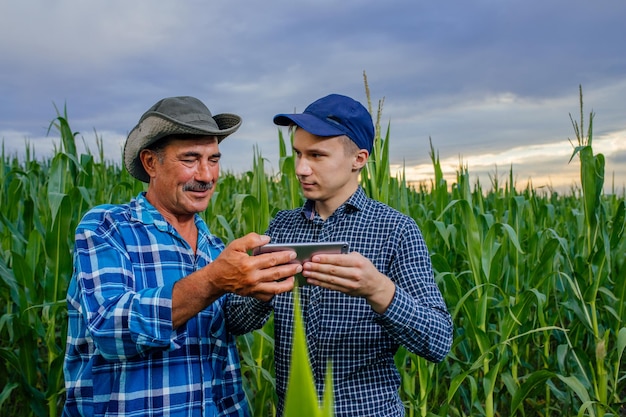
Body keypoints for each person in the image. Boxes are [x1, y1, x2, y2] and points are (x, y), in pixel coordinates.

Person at [63, 96, 301, 417]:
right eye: (190, 159)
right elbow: (110, 329)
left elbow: (226, 328)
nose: (206, 175)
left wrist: (265, 287)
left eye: (213, 159)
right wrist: (213, 280)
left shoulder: (214, 247)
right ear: (151, 163)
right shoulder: (108, 228)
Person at [227, 94, 453, 416]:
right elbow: (235, 320)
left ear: (358, 159)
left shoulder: (395, 230)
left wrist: (378, 290)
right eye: (298, 154)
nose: (301, 168)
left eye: (317, 155)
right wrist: (260, 289)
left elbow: (438, 341)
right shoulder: (281, 226)